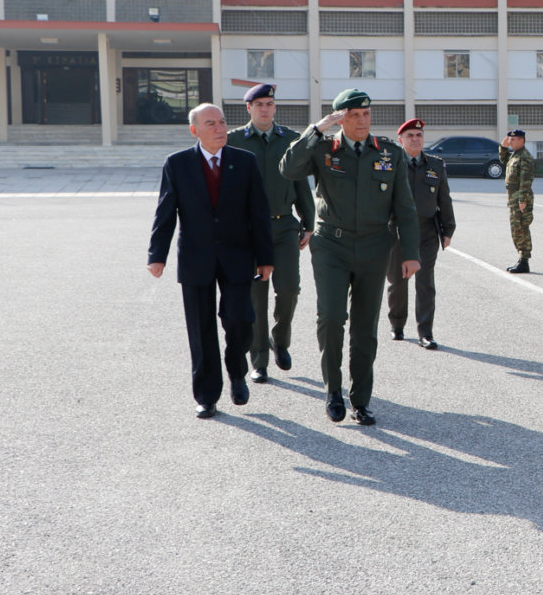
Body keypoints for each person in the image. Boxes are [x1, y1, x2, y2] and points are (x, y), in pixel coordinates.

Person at [280, 89, 421, 425]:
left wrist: (412, 253)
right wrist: (318, 128)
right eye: (354, 115)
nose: (362, 121)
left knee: (365, 327)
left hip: (374, 248)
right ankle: (333, 391)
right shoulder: (324, 149)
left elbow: (404, 206)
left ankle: (360, 400)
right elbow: (288, 168)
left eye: (366, 114)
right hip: (332, 245)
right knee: (331, 317)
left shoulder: (388, 152)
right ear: (341, 118)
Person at [148, 104, 275, 419]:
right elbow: (166, 211)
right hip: (195, 257)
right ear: (195, 130)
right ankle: (207, 395)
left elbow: (258, 213)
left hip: (237, 255)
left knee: (240, 319)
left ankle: (236, 369)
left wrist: (266, 257)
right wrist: (157, 255)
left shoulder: (244, 162)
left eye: (222, 122)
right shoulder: (177, 164)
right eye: (211, 123)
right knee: (201, 330)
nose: (220, 128)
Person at [234, 84, 314, 383]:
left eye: (269, 104)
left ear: (274, 107)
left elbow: (300, 184)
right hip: (249, 230)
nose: (265, 109)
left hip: (284, 226)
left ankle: (279, 340)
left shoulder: (291, 140)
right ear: (248, 108)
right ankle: (259, 360)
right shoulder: (233, 141)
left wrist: (308, 222)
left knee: (290, 289)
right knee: (257, 296)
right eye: (259, 104)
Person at [385, 118, 456, 350]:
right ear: (400, 140)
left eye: (419, 135)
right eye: (410, 136)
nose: (415, 139)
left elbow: (444, 198)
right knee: (397, 282)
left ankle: (425, 332)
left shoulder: (435, 164)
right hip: (396, 231)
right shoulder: (391, 163)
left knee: (425, 283)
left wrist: (448, 229)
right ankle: (397, 325)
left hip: (426, 231)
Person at [501, 129, 535, 273]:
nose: (511, 142)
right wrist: (503, 147)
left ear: (522, 140)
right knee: (516, 229)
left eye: (513, 140)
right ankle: (521, 258)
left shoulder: (525, 157)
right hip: (513, 197)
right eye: (510, 139)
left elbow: (525, 181)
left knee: (521, 229)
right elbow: (503, 160)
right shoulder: (515, 155)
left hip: (520, 198)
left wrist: (522, 200)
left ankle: (524, 261)